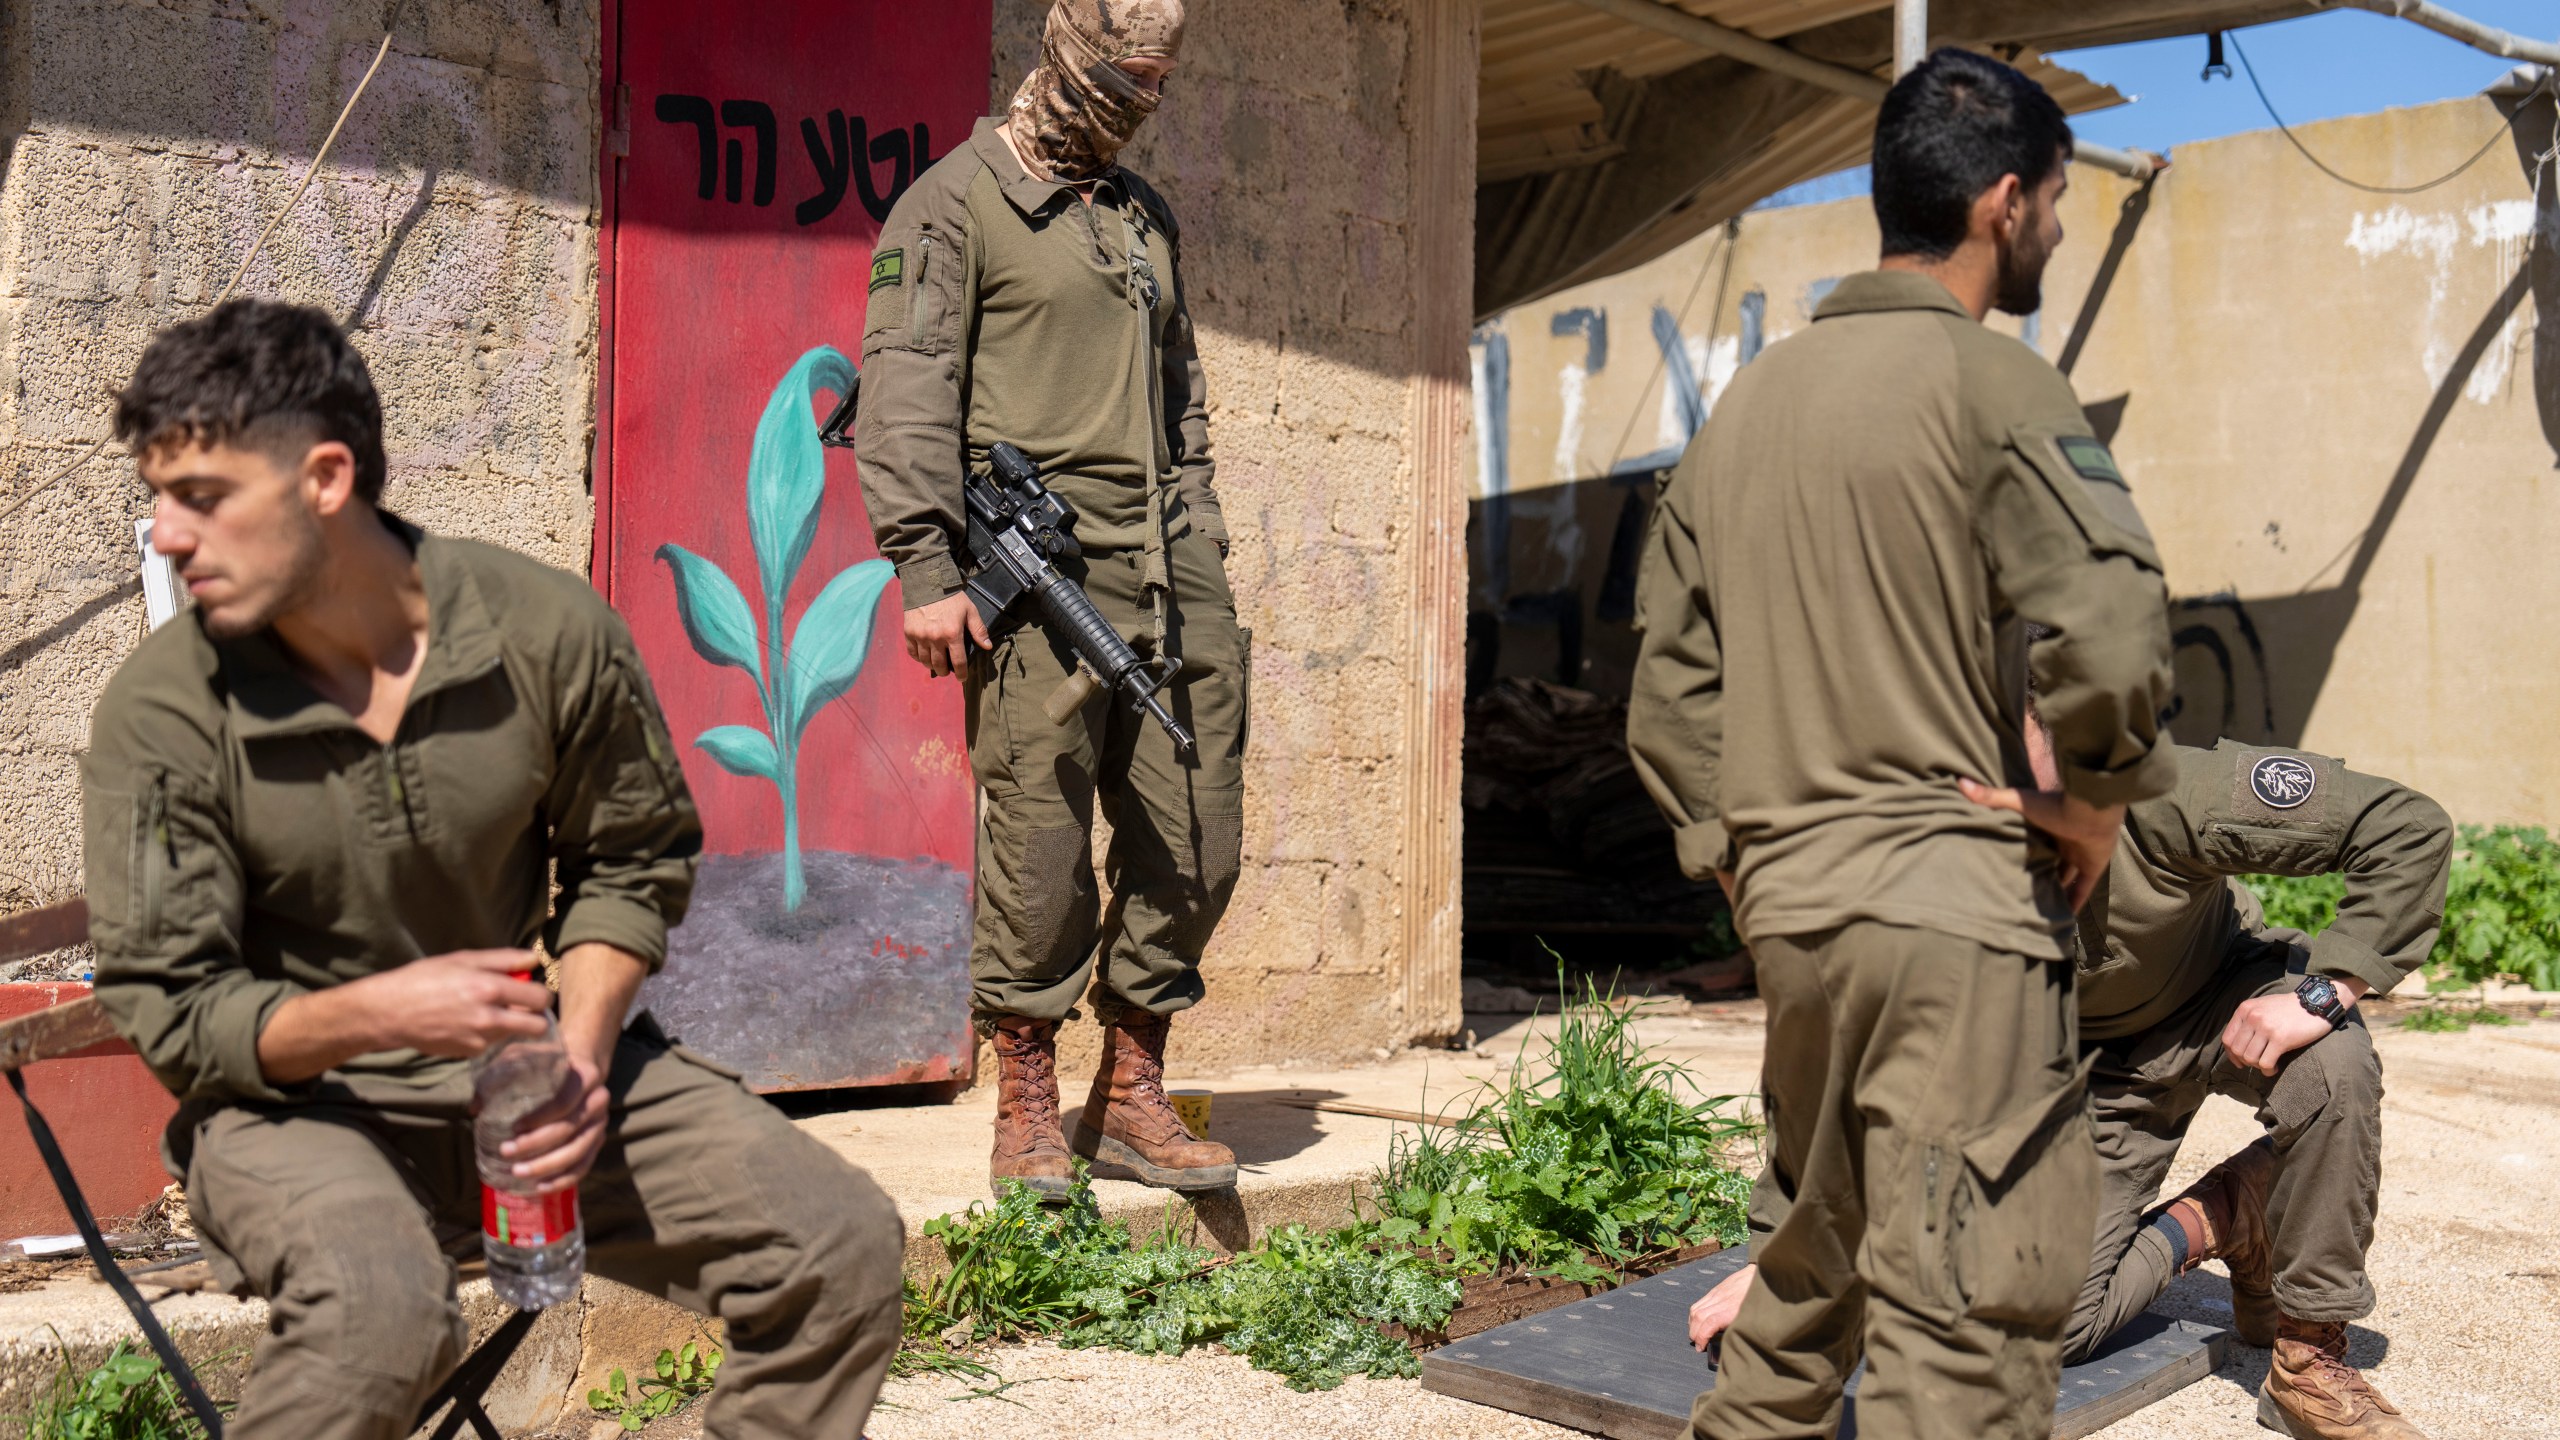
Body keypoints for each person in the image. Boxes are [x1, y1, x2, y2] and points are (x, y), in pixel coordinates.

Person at [85, 299, 904, 1440]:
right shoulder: (166, 710)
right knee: (379, 1315)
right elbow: (169, 1007)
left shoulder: (544, 630)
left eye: (204, 499)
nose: (168, 535)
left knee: (838, 1246)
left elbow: (631, 857)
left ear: (326, 478)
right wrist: (371, 1011)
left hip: (530, 1082)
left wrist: (577, 1054)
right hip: (296, 1117)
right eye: (159, 498)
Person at [1626, 47, 2177, 1440]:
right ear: (2003, 203)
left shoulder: (1743, 411)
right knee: (1971, 1337)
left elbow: (1669, 689)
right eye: (2055, 200)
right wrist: (2101, 804)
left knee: (1805, 1279)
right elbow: (2110, 634)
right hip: (1955, 924)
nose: (2056, 226)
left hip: (1800, 926)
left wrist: (1739, 858)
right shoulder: (1994, 385)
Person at [1688, 716, 2451, 1440]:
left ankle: (2309, 1358)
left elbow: (2406, 827)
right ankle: (2232, 1209)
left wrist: (2328, 989)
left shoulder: (2161, 788)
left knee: (2333, 1063)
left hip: (2218, 999)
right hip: (2081, 1077)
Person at [854, 0, 1241, 1199]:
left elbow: (1183, 407)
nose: (1139, 105)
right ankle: (1024, 1101)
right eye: (1124, 79)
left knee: (1196, 827)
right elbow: (907, 384)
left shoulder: (1139, 219)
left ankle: (1131, 1095)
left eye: (1156, 86)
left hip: (1170, 578)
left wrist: (1204, 544)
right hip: (1039, 580)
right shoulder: (957, 201)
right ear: (1069, 56)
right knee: (1038, 841)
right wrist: (926, 567)